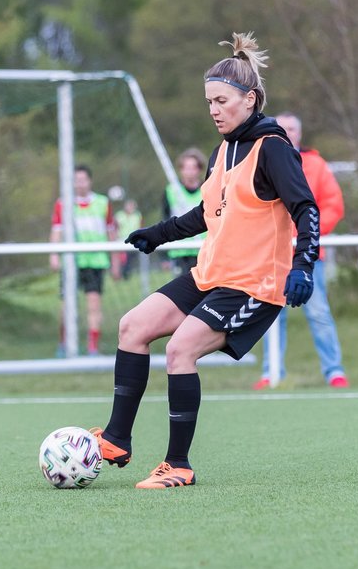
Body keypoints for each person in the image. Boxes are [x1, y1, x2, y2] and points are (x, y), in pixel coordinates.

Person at [91, 32, 319, 489]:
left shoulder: (272, 146)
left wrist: (303, 265)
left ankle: (178, 464)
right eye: (208, 101)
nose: (214, 109)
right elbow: (206, 213)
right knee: (132, 327)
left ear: (249, 99)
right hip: (209, 274)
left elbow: (305, 208)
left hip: (253, 284)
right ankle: (116, 437)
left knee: (181, 350)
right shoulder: (222, 151)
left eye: (222, 100)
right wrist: (159, 234)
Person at [253, 112, 349, 390]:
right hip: (271, 255)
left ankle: (334, 372)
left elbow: (333, 205)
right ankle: (271, 373)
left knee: (319, 313)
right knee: (270, 315)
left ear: (300, 132)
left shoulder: (316, 165)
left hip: (307, 256)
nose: (288, 132)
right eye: (282, 128)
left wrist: (308, 234)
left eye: (292, 128)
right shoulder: (262, 161)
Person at [49, 165, 120, 357]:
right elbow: (57, 230)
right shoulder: (63, 203)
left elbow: (111, 232)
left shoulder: (102, 203)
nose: (80, 184)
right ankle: (64, 344)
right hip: (72, 262)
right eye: (76, 180)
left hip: (95, 261)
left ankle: (92, 347)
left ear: (90, 181)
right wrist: (54, 255)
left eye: (83, 180)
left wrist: (116, 261)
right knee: (66, 306)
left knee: (94, 305)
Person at [163, 148, 208, 275]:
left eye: (193, 167)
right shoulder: (171, 191)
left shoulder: (207, 189)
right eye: (186, 167)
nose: (189, 171)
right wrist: (164, 256)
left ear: (199, 169)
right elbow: (165, 219)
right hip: (179, 250)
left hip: (203, 249)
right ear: (181, 169)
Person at [114, 198, 143, 279]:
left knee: (129, 259)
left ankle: (126, 272)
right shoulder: (119, 215)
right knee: (123, 259)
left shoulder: (137, 215)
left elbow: (140, 227)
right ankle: (121, 273)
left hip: (133, 240)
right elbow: (116, 227)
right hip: (121, 240)